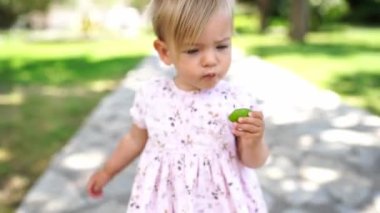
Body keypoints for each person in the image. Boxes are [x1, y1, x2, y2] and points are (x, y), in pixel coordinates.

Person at [87, 0, 269, 212]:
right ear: (165, 52)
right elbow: (134, 139)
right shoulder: (152, 96)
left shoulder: (236, 100)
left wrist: (253, 141)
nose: (211, 60)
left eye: (221, 46)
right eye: (193, 50)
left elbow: (253, 162)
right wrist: (108, 171)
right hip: (166, 201)